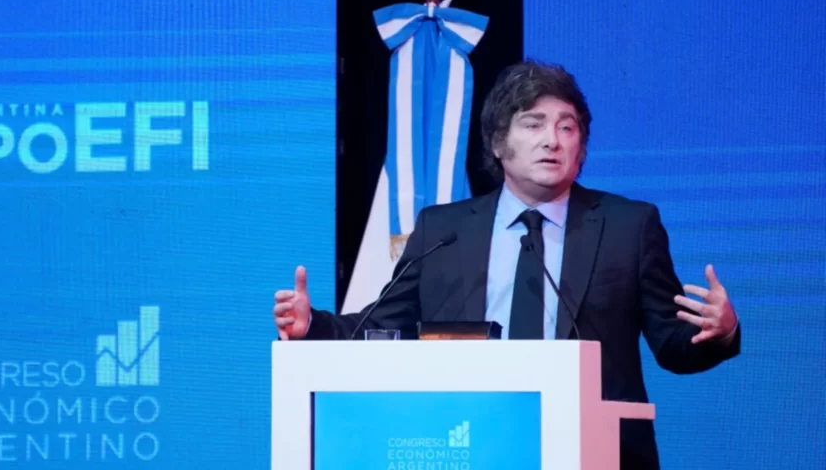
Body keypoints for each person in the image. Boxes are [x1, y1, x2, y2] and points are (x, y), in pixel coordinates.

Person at [271, 59, 740, 469]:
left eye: (567, 128)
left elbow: (672, 344)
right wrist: (312, 326)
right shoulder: (443, 230)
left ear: (581, 146)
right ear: (498, 142)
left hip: (597, 454)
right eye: (533, 125)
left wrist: (719, 331)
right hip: (473, 446)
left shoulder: (628, 226)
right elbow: (381, 328)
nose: (552, 141)